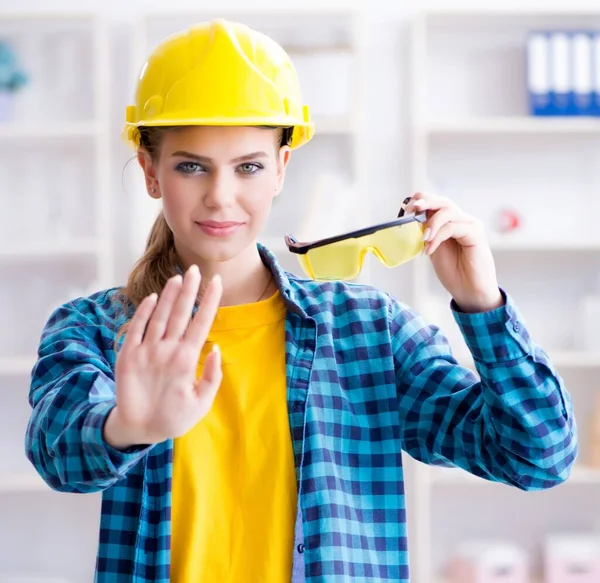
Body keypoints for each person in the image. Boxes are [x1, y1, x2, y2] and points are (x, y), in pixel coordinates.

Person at [25, 18, 577, 583]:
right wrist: (126, 427)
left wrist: (482, 304)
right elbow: (58, 453)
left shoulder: (367, 332)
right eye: (191, 166)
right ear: (150, 172)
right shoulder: (97, 328)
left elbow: (537, 456)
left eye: (249, 167)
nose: (221, 196)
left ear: (281, 169)